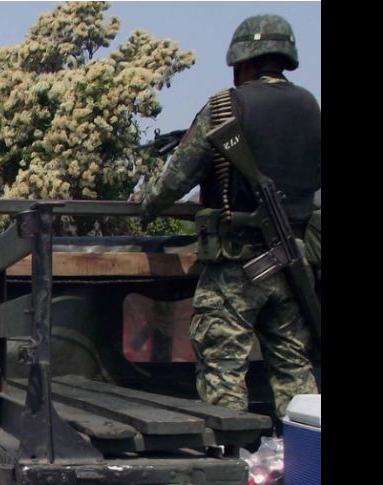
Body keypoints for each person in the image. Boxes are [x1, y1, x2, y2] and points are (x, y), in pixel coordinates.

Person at [138, 14, 320, 419]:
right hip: (294, 268)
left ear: (245, 62)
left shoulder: (225, 108)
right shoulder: (311, 107)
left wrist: (146, 204)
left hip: (237, 268)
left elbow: (174, 180)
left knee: (223, 379)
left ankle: (228, 465)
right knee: (297, 377)